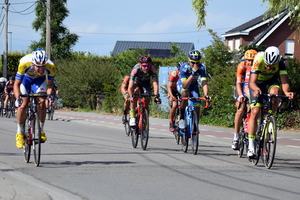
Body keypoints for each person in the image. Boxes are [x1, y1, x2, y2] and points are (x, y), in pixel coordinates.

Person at [247, 46, 294, 157]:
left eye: (272, 66)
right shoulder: (259, 58)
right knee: (255, 111)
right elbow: (252, 82)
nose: (269, 67)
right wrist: (256, 89)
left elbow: (284, 80)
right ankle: (251, 145)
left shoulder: (281, 62)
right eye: (267, 64)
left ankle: (270, 117)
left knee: (276, 91)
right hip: (257, 83)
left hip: (270, 82)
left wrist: (287, 92)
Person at [14, 48, 56, 149]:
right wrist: (17, 98)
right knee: (23, 105)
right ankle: (19, 133)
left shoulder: (51, 66)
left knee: (42, 101)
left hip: (39, 81)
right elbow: (16, 84)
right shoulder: (24, 64)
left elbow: (50, 86)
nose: (41, 69)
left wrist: (49, 97)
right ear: (33, 64)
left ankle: (41, 130)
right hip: (26, 80)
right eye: (38, 67)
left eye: (43, 66)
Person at [176, 50, 210, 130]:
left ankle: (195, 126)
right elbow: (184, 85)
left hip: (194, 86)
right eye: (193, 62)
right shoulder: (184, 67)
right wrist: (193, 73)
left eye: (197, 62)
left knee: (197, 105)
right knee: (185, 93)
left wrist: (206, 94)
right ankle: (181, 118)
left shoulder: (201, 68)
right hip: (183, 84)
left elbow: (204, 82)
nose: (195, 64)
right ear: (189, 60)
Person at [231, 49, 257, 150]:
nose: (250, 62)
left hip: (252, 88)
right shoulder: (242, 66)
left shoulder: (258, 67)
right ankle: (236, 137)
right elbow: (238, 83)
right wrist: (241, 95)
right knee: (240, 110)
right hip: (242, 87)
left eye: (252, 60)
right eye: (248, 60)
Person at [127, 56, 161, 126]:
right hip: (136, 81)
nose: (146, 67)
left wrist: (156, 96)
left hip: (145, 83)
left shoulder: (152, 69)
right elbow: (130, 87)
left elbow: (155, 83)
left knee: (146, 99)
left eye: (148, 65)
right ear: (140, 64)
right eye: (144, 65)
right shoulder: (135, 70)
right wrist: (131, 97)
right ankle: (132, 116)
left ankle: (145, 120)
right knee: (135, 92)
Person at [167, 62, 183, 132]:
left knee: (184, 104)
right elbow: (169, 86)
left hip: (181, 90)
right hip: (172, 89)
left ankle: (183, 119)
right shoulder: (174, 73)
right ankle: (171, 122)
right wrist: (171, 96)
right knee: (175, 104)